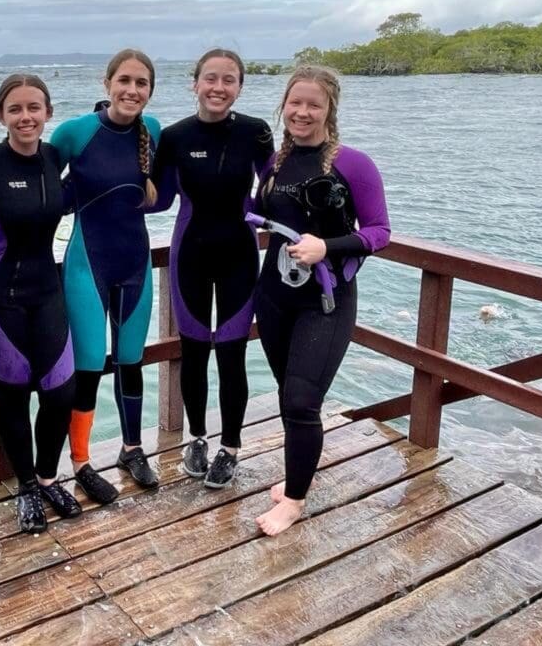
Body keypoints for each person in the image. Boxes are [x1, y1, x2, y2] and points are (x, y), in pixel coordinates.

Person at [252, 65, 390, 535]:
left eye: (314, 104)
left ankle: (293, 500)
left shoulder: (354, 164)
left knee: (302, 399)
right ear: (284, 106)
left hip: (326, 300)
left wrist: (327, 246)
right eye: (296, 103)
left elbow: (379, 232)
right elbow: (261, 214)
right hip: (273, 296)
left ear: (330, 109)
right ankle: (297, 474)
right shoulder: (274, 163)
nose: (303, 112)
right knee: (287, 394)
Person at [0, 74, 82, 533]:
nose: (25, 117)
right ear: (0, 116)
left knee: (60, 390)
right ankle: (27, 486)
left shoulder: (53, 158)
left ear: (48, 113)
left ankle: (50, 476)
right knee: (12, 389)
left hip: (46, 289)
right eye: (15, 109)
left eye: (34, 108)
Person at [151, 49, 274, 488]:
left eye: (228, 80)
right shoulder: (174, 136)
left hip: (240, 252)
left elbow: (274, 190)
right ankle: (198, 438)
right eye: (210, 78)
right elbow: (159, 199)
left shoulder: (256, 133)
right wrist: (112, 174)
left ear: (239, 86)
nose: (218, 87)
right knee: (195, 351)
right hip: (191, 254)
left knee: (232, 355)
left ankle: (232, 447)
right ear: (195, 83)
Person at [50, 49, 162, 504]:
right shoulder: (75, 133)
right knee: (90, 365)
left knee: (130, 360)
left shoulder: (152, 131)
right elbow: (40, 190)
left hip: (136, 263)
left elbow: (164, 192)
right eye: (124, 81)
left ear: (150, 90)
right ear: (107, 83)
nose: (132, 90)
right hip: (86, 266)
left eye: (141, 84)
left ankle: (131, 449)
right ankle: (80, 462)